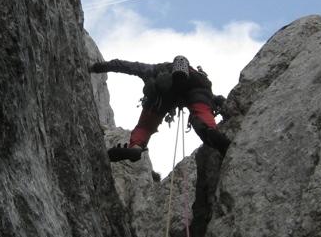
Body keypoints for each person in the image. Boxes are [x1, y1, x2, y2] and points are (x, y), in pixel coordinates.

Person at [90, 55, 230, 162]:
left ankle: (136, 147)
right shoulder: (196, 77)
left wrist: (96, 67)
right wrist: (221, 102)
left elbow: (123, 65)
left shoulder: (153, 70)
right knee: (202, 113)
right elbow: (208, 99)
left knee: (144, 127)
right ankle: (210, 131)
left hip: (162, 98)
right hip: (197, 91)